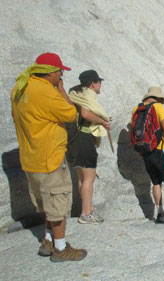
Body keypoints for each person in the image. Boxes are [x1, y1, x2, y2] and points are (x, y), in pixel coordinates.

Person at [10, 53, 87, 262]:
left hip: (30, 158)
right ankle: (61, 249)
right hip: (49, 158)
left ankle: (46, 241)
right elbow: (71, 114)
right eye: (60, 71)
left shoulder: (20, 87)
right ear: (51, 73)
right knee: (57, 204)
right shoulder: (45, 91)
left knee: (45, 204)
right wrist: (61, 90)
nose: (61, 75)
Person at [131, 86, 164, 225]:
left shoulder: (137, 108)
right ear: (158, 98)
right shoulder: (158, 106)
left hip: (145, 150)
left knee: (156, 182)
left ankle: (159, 213)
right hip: (160, 148)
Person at [66, 70, 109, 224]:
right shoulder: (89, 94)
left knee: (82, 178)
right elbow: (85, 113)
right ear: (93, 83)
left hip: (73, 139)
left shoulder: (76, 93)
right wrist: (102, 121)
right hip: (84, 138)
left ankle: (87, 209)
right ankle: (86, 213)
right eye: (99, 82)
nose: (100, 85)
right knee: (89, 177)